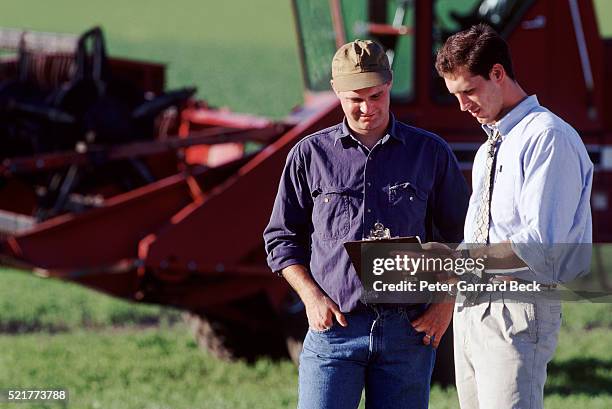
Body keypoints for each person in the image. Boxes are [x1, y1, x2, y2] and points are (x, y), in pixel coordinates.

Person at [263, 39, 469, 409]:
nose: (367, 108)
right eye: (355, 99)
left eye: (376, 96)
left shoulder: (430, 153)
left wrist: (445, 303)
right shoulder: (309, 156)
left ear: (389, 85)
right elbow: (281, 239)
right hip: (334, 332)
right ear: (336, 93)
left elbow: (460, 237)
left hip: (408, 334)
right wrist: (312, 298)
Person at [435, 24, 593, 409]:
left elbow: (541, 247)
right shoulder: (492, 144)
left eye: (468, 91)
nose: (462, 106)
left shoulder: (547, 137)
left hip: (516, 309)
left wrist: (457, 261)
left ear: (498, 74)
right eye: (454, 95)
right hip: (472, 309)